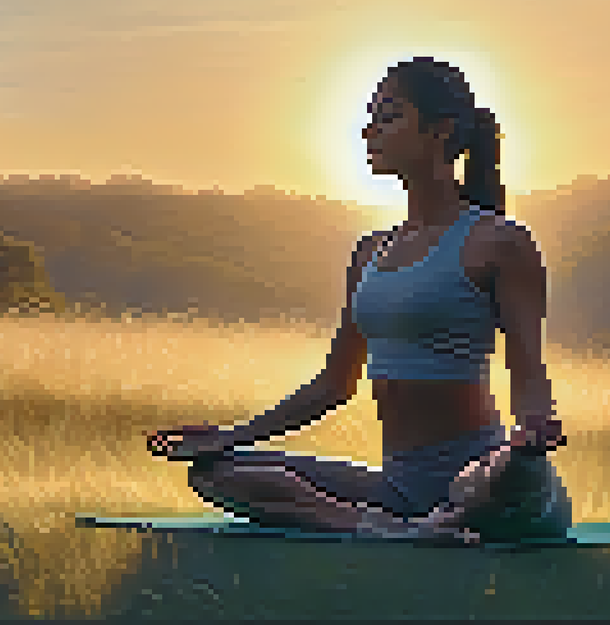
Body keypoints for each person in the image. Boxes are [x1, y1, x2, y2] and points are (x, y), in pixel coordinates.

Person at [147, 56, 573, 544]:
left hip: (485, 478)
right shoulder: (371, 252)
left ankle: (452, 515)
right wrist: (227, 437)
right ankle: (394, 531)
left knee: (501, 481)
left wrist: (532, 432)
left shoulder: (498, 241)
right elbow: (334, 384)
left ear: (440, 131)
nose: (370, 131)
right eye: (370, 118)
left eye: (389, 116)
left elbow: (528, 371)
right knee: (215, 473)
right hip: (401, 487)